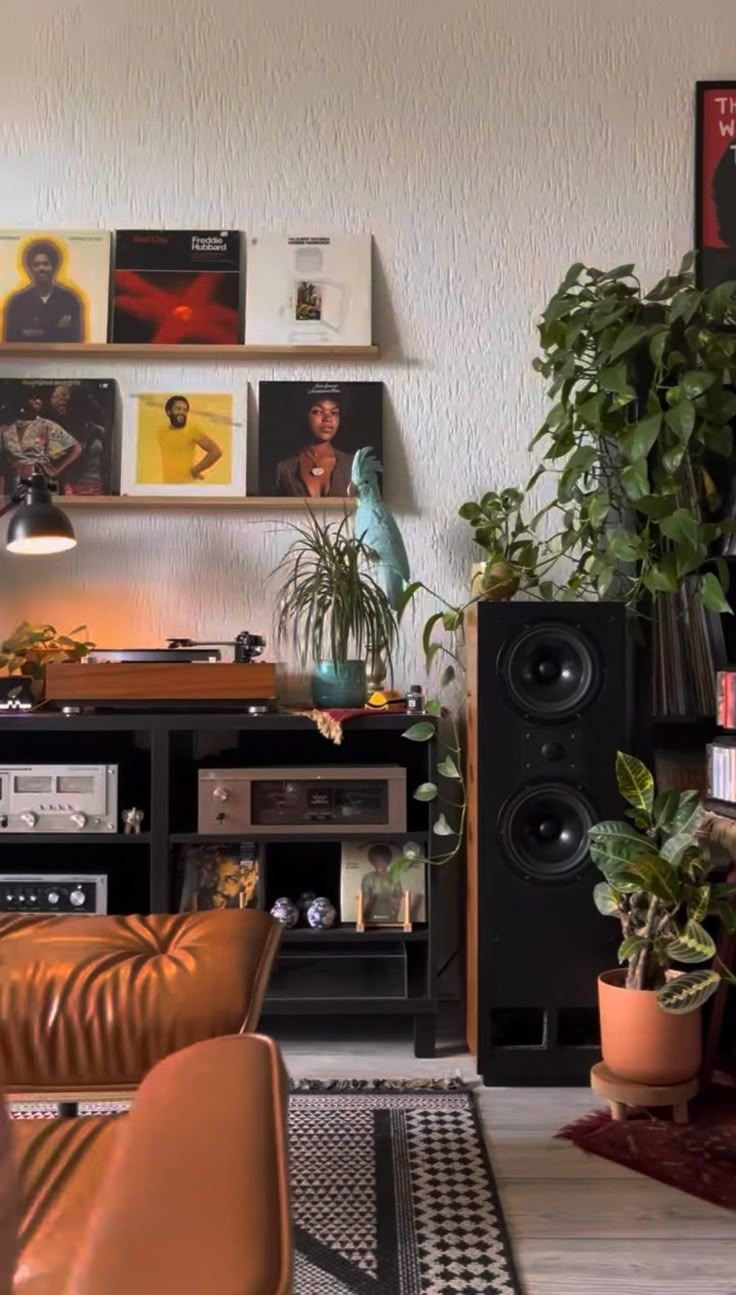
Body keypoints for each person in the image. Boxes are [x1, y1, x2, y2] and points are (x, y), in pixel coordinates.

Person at [274, 387, 354, 497]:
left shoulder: (353, 465)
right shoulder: (284, 469)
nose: (328, 418)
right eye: (318, 411)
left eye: (334, 412)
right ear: (304, 415)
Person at [3, 239, 84, 342]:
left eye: (46, 264)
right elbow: (11, 340)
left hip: (60, 358)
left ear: (54, 267)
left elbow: (75, 339)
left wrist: (32, 333)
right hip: (27, 358)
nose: (41, 268)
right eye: (36, 265)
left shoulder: (70, 300)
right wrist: (56, 330)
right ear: (29, 269)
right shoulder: (17, 302)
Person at [0, 389, 81, 490]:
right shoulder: (6, 428)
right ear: (23, 400)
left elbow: (76, 448)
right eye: (34, 398)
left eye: (40, 399)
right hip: (13, 483)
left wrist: (55, 470)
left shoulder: (46, 426)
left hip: (40, 484)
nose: (38, 401)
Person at [49, 384, 108, 496]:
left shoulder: (99, 431)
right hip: (72, 488)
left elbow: (106, 460)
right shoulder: (63, 431)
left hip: (96, 486)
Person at [155, 396, 223, 484]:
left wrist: (195, 470)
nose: (182, 412)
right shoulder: (162, 431)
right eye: (178, 409)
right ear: (168, 412)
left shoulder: (192, 430)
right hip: (167, 484)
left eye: (185, 410)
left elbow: (216, 452)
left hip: (186, 484)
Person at [360, 844, 404, 922]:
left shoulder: (394, 877)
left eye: (382, 860)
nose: (379, 863)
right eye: (376, 860)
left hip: (391, 916)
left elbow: (401, 899)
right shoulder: (368, 878)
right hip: (371, 918)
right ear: (372, 861)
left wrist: (395, 901)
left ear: (387, 861)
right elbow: (364, 900)